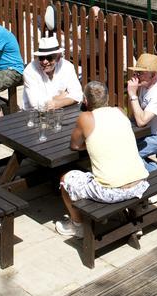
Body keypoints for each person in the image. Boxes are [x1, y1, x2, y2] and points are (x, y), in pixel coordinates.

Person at [55, 80, 151, 238]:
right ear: (107, 98)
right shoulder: (120, 111)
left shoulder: (85, 117)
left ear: (85, 101)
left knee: (65, 179)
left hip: (111, 192)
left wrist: (89, 143)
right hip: (140, 184)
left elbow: (75, 146)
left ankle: (77, 225)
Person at [22, 35, 83, 111]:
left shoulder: (67, 66)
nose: (45, 62)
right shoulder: (30, 70)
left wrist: (56, 103)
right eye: (41, 57)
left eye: (49, 58)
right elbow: (36, 104)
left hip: (63, 111)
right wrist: (62, 97)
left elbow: (78, 95)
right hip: (34, 115)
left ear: (58, 57)